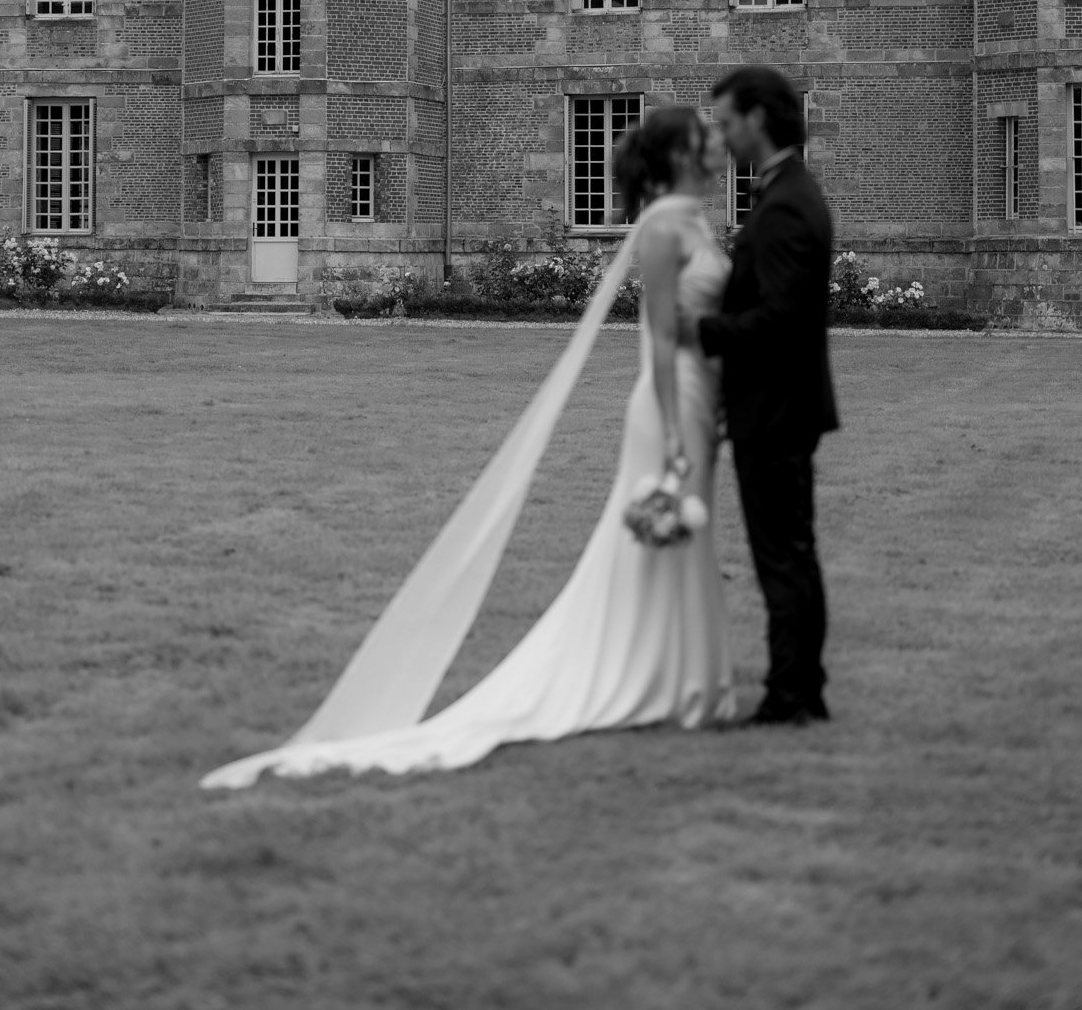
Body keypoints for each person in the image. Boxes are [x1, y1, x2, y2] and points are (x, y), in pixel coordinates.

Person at [202, 105, 735, 787]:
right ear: (680, 155)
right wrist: (670, 426)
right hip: (670, 400)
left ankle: (682, 676)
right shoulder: (663, 225)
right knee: (666, 532)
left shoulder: (695, 220)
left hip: (702, 394)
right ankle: (670, 683)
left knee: (694, 533)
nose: (716, 144)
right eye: (703, 137)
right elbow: (658, 337)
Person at [699, 65, 839, 727]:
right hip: (781, 405)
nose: (721, 136)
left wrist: (702, 330)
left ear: (757, 118)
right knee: (791, 551)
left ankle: (791, 695)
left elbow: (780, 318)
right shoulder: (787, 190)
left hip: (775, 407)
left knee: (780, 555)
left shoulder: (784, 203)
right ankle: (801, 686)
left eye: (726, 122)